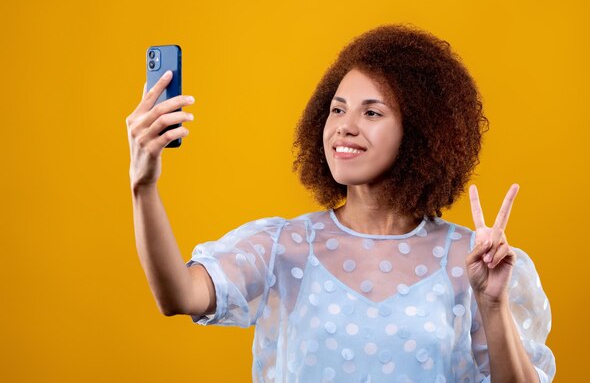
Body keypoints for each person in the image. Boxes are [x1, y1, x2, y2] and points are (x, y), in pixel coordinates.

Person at [127, 24, 556, 383]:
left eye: (372, 113)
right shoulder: (282, 246)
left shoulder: (473, 263)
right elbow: (178, 296)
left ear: (422, 133)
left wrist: (493, 305)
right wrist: (143, 186)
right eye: (337, 110)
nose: (344, 128)